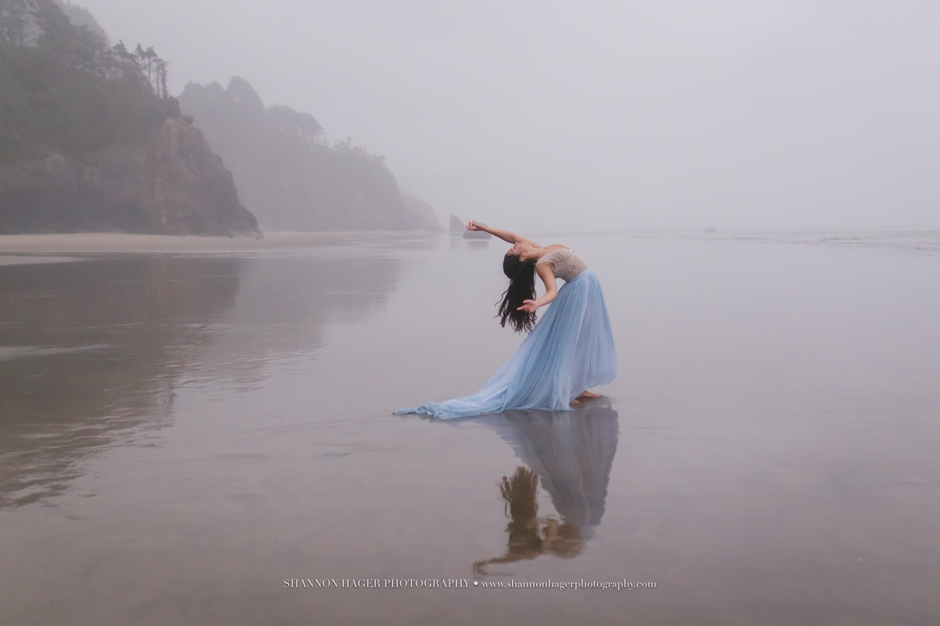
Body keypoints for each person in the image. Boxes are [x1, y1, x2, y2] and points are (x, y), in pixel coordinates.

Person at [397, 221, 617, 418]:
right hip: (578, 292)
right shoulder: (542, 263)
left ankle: (578, 386)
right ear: (522, 257)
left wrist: (485, 228)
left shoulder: (538, 249)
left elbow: (511, 236)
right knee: (571, 342)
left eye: (513, 247)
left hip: (588, 287)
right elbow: (553, 291)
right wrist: (537, 303)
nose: (513, 245)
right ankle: (565, 390)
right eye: (513, 250)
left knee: (585, 338)